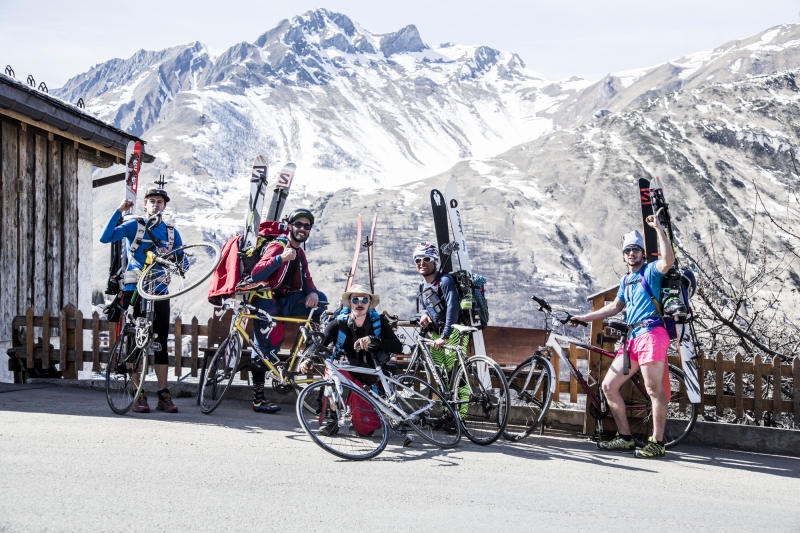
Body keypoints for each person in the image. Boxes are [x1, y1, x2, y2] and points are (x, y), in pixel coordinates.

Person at [571, 215, 675, 459]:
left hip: (651, 333)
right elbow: (614, 308)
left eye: (636, 250)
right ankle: (626, 439)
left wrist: (659, 229)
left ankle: (657, 443)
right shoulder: (626, 280)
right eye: (628, 250)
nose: (632, 254)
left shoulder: (651, 271)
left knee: (653, 390)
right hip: (632, 339)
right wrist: (584, 317)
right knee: (609, 386)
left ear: (642, 254)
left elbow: (668, 260)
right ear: (623, 254)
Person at [99, 187, 182, 414]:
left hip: (159, 290)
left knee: (160, 343)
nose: (156, 204)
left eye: (160, 202)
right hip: (133, 288)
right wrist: (119, 210)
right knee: (135, 341)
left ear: (165, 206)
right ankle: (138, 393)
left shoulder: (172, 233)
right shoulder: (134, 226)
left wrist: (173, 256)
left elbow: (183, 261)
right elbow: (105, 237)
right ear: (144, 205)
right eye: (152, 201)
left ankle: (163, 394)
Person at [237, 208, 327, 413]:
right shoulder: (277, 246)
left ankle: (312, 349)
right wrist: (281, 259)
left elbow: (307, 279)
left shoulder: (300, 253)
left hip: (287, 299)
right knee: (265, 348)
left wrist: (312, 292)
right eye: (298, 225)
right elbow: (257, 273)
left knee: (321, 299)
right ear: (290, 226)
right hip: (266, 299)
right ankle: (258, 399)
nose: (302, 229)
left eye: (307, 226)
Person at [309, 284, 403, 436]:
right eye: (356, 299)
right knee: (334, 375)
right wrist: (308, 360)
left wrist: (374, 339)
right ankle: (333, 421)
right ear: (350, 303)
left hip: (369, 376)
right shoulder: (339, 323)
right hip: (344, 369)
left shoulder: (378, 323)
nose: (360, 303)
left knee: (366, 431)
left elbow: (397, 347)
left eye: (364, 300)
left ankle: (358, 419)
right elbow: (320, 343)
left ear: (370, 304)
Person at [413, 242, 469, 418]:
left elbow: (453, 308)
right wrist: (424, 314)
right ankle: (448, 415)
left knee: (455, 375)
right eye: (417, 260)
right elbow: (424, 306)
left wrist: (445, 336)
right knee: (442, 376)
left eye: (426, 259)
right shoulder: (423, 286)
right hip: (435, 334)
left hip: (453, 333)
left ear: (434, 260)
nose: (421, 263)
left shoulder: (445, 281)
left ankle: (461, 417)